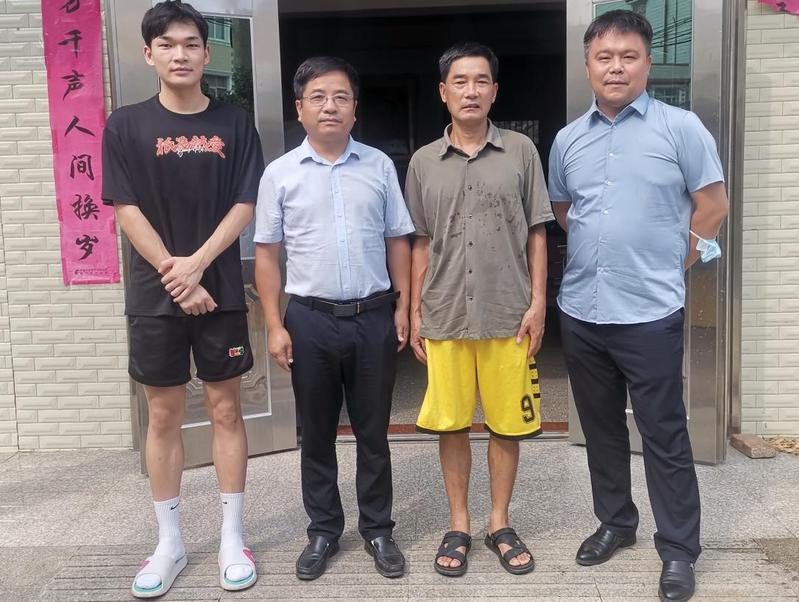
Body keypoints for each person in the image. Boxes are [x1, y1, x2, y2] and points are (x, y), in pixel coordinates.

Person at [548, 10, 729, 602]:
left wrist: (676, 260)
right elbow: (565, 211)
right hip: (582, 311)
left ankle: (677, 549)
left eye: (628, 56)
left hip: (650, 313)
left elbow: (713, 205)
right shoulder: (568, 140)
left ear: (648, 63)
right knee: (600, 429)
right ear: (588, 66)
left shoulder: (681, 128)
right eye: (604, 57)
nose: (616, 67)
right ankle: (616, 523)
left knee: (663, 434)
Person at [101, 1, 263, 597]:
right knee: (164, 415)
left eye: (191, 43)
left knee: (226, 410)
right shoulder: (125, 125)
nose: (180, 54)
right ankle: (168, 542)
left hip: (219, 292)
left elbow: (245, 203)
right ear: (149, 54)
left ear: (206, 51)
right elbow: (125, 208)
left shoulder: (235, 123)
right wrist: (177, 274)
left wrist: (198, 267)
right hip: (156, 295)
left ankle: (231, 538)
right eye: (167, 44)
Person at [254, 56, 414, 581]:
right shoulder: (279, 174)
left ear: (354, 108)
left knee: (373, 432)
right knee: (318, 433)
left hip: (372, 316)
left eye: (341, 97)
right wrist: (275, 324)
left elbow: (397, 240)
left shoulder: (379, 166)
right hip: (310, 321)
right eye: (318, 97)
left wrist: (402, 306)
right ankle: (323, 529)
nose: (330, 106)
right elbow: (267, 255)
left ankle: (378, 528)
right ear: (299, 108)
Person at [406, 42, 554, 577]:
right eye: (460, 81)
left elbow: (537, 232)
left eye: (481, 81)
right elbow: (421, 242)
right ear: (443, 92)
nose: (471, 91)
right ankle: (459, 523)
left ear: (494, 90)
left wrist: (538, 303)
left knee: (505, 424)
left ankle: (499, 522)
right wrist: (414, 309)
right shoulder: (423, 162)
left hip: (507, 313)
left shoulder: (521, 152)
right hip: (445, 312)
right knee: (451, 423)